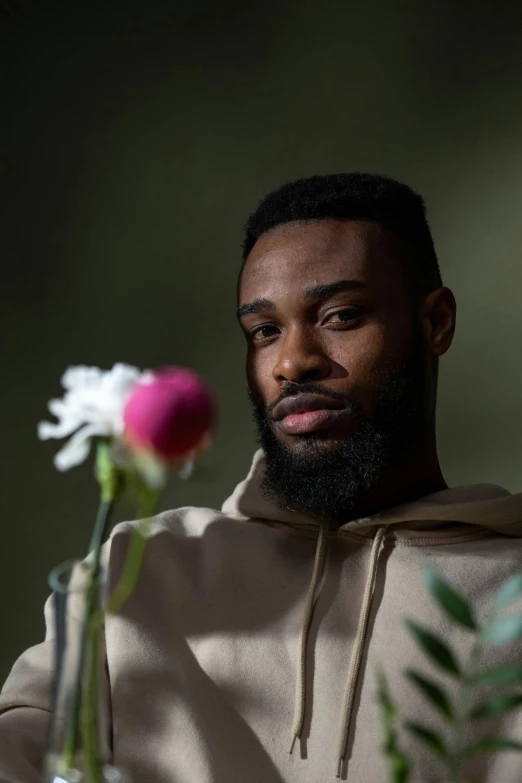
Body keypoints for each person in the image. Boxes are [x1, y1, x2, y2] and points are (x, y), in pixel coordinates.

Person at [1, 173, 522, 782]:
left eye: (341, 315)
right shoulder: (135, 573)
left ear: (435, 323)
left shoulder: (510, 587)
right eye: (264, 332)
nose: (292, 362)